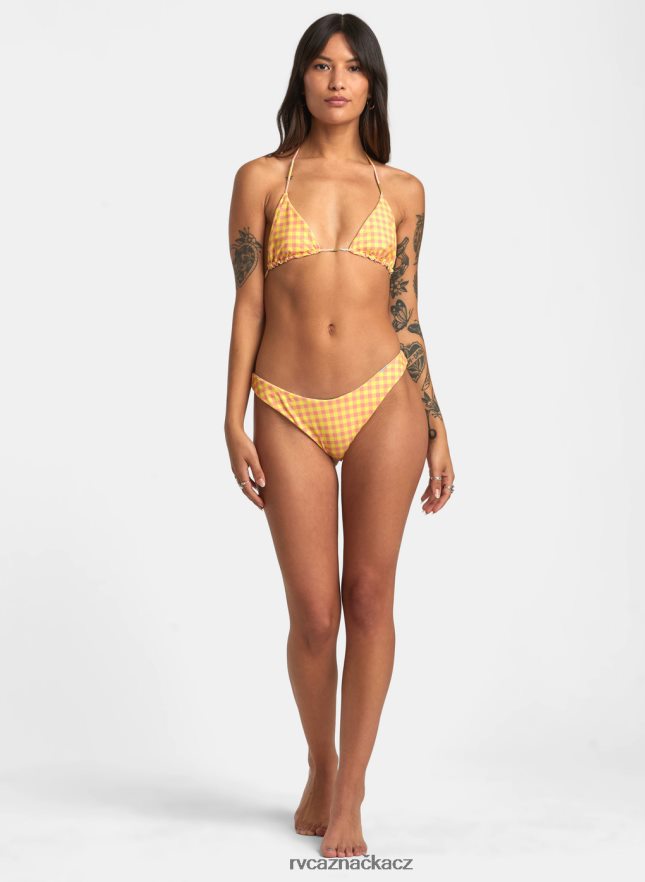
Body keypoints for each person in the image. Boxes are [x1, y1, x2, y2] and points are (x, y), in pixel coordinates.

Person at [224, 13, 455, 860]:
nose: (336, 81)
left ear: (371, 85)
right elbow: (249, 302)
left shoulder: (404, 191)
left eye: (352, 69)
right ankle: (318, 761)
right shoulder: (260, 179)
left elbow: (408, 313)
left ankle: (351, 789)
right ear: (303, 77)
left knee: (369, 596)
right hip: (285, 404)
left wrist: (437, 426)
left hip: (387, 398)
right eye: (321, 66)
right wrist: (231, 416)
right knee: (315, 615)